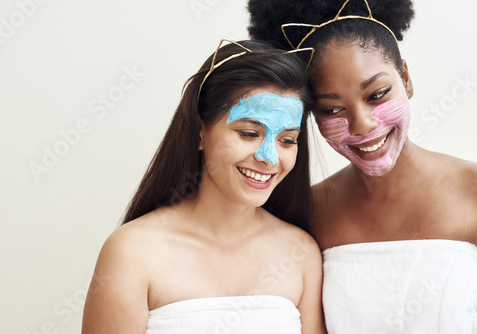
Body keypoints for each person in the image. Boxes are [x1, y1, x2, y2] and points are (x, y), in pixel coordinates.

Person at [247, 0, 477, 333]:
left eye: (377, 94)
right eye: (331, 110)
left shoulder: (471, 191)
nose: (362, 124)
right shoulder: (305, 212)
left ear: (406, 79)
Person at [81, 39, 326, 333]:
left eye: (287, 140)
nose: (268, 158)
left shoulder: (300, 252)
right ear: (200, 132)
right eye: (248, 133)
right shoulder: (132, 252)